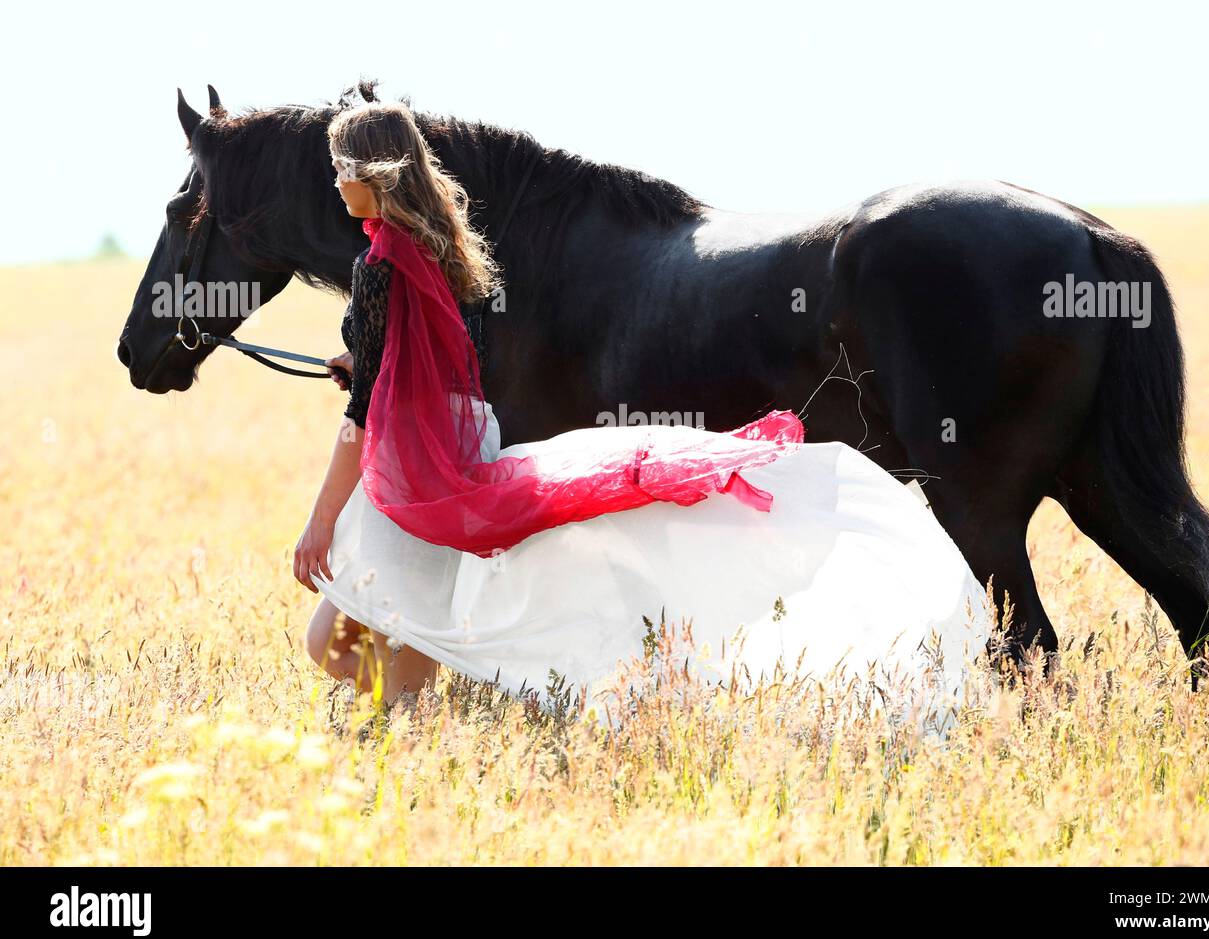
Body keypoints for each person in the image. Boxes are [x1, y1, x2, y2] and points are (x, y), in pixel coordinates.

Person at [297, 101, 992, 730]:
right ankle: (422, 749)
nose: (334, 185)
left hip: (416, 473)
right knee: (382, 646)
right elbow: (451, 371)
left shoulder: (379, 266)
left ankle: (421, 751)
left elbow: (362, 417)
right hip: (458, 446)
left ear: (370, 173)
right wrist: (374, 363)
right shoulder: (452, 253)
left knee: (344, 649)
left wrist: (320, 521)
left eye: (338, 170)